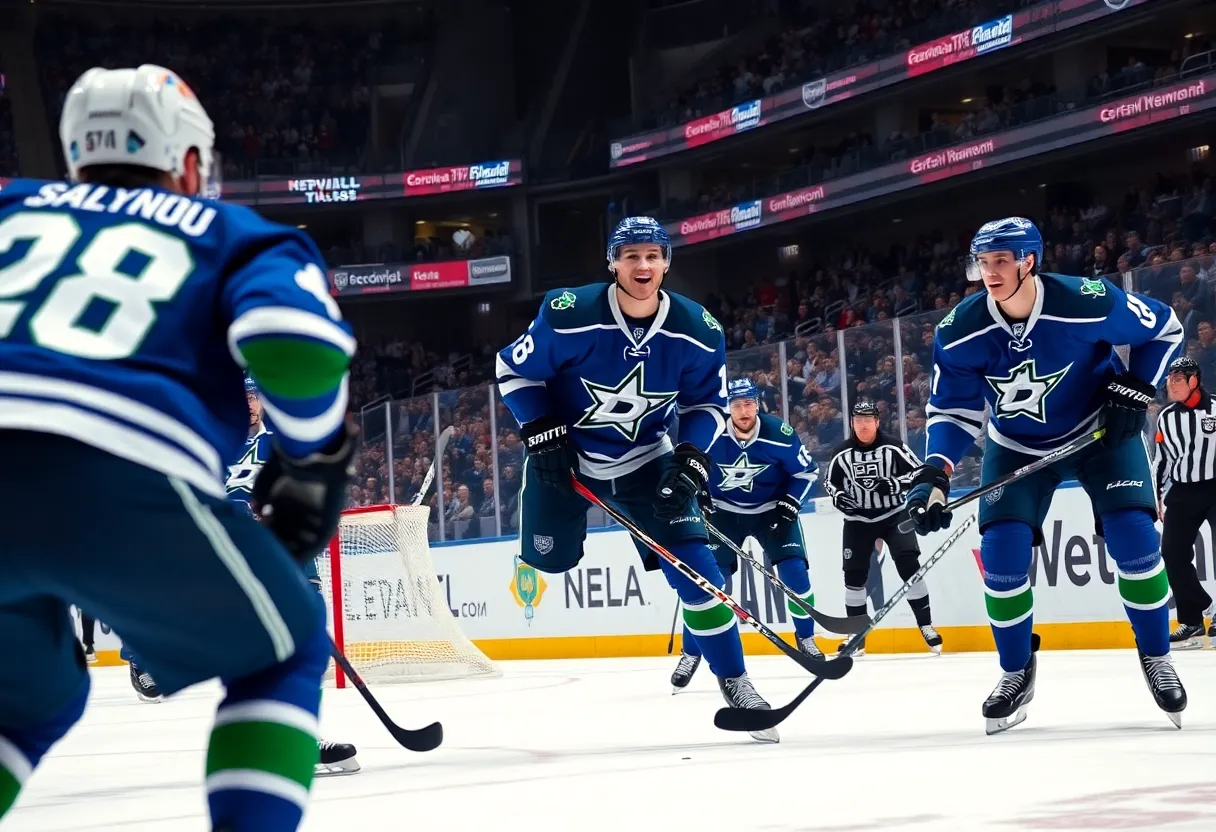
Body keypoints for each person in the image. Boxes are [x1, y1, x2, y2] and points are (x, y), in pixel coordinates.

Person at [0, 65, 357, 831]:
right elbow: (294, 344)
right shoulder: (232, 232)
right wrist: (312, 457)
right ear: (191, 163)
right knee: (286, 647)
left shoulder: (11, 205)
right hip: (110, 470)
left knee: (30, 693)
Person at [495, 216, 779, 742]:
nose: (642, 266)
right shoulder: (569, 313)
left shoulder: (698, 330)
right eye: (631, 256)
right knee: (549, 561)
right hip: (566, 460)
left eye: (652, 255)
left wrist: (691, 457)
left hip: (649, 460)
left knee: (700, 575)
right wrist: (538, 429)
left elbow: (708, 406)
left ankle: (736, 681)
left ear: (667, 262)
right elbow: (513, 371)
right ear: (612, 262)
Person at [906, 216, 1186, 735]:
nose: (988, 273)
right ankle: (1016, 671)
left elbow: (1165, 328)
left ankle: (1156, 656)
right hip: (1016, 446)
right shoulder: (960, 330)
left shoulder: (1087, 300)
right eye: (982, 263)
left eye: (1000, 262)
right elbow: (951, 411)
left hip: (1100, 436)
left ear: (1028, 261)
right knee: (1002, 555)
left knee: (1136, 540)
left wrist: (1138, 385)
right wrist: (935, 472)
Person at [227, 376, 360, 775]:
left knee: (303, 649)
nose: (249, 403)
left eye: (254, 395)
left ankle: (297, 735)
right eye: (241, 395)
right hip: (235, 559)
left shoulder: (280, 442)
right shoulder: (213, 442)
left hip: (290, 557)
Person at [670, 377, 821, 691]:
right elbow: (685, 467)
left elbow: (806, 472)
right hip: (724, 514)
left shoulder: (779, 434)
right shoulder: (709, 436)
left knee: (795, 573)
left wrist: (791, 503)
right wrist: (697, 495)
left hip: (773, 511)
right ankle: (690, 652)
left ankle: (806, 638)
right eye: (736, 404)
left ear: (758, 403)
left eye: (748, 403)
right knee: (708, 586)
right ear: (727, 407)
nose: (743, 410)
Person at [823, 400, 942, 657]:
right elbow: (830, 483)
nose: (862, 425)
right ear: (852, 423)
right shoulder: (841, 452)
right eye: (858, 420)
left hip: (893, 516)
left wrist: (895, 483)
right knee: (854, 579)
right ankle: (856, 637)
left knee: (909, 567)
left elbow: (920, 473)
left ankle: (926, 625)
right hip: (858, 521)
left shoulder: (895, 447)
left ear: (877, 422)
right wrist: (839, 497)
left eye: (867, 420)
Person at [1152, 356, 1216, 649]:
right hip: (1182, 491)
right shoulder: (1166, 417)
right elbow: (1161, 461)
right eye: (1170, 379)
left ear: (1194, 380)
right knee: (1173, 555)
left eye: (1178, 378)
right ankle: (1192, 619)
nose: (1171, 384)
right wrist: (1158, 499)